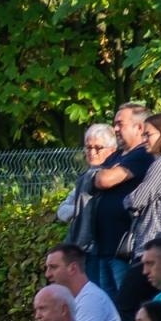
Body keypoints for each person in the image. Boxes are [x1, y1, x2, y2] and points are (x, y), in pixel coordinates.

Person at [115, 113, 161, 321]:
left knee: (128, 307)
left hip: (151, 244)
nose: (144, 139)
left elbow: (136, 200)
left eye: (148, 134)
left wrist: (125, 199)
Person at [88, 104, 153, 303]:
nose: (115, 129)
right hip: (103, 247)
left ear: (139, 128)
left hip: (124, 250)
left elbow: (103, 179)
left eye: (120, 124)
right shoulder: (117, 156)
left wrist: (100, 175)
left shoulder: (143, 155)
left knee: (127, 307)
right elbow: (94, 173)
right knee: (109, 310)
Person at [58, 124, 120, 293]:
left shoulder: (113, 175)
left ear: (112, 150)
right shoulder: (85, 178)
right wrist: (81, 209)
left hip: (106, 248)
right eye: (88, 147)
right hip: (85, 248)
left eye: (98, 148)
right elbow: (62, 211)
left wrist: (79, 208)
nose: (92, 153)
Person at [45, 243, 122, 321]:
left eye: (53, 267)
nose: (47, 274)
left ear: (73, 268)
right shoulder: (74, 299)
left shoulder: (91, 298)